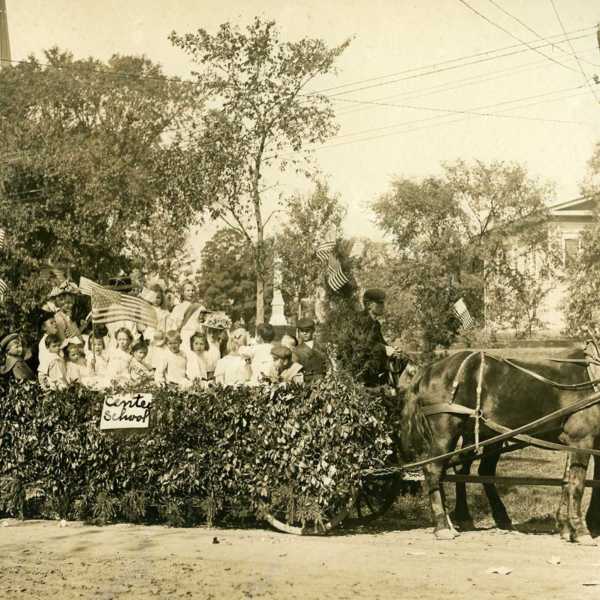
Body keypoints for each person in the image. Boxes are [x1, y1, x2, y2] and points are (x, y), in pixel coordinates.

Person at [355, 288, 397, 387]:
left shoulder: (376, 323)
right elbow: (364, 344)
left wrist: (393, 349)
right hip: (362, 369)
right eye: (380, 303)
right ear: (369, 305)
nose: (383, 306)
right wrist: (384, 348)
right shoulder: (361, 320)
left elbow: (380, 341)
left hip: (374, 365)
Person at [295, 318, 327, 384]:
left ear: (313, 330)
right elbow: (296, 370)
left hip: (323, 380)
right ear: (298, 332)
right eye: (302, 331)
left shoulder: (321, 346)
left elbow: (327, 363)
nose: (304, 333)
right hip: (306, 381)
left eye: (307, 330)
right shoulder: (296, 350)